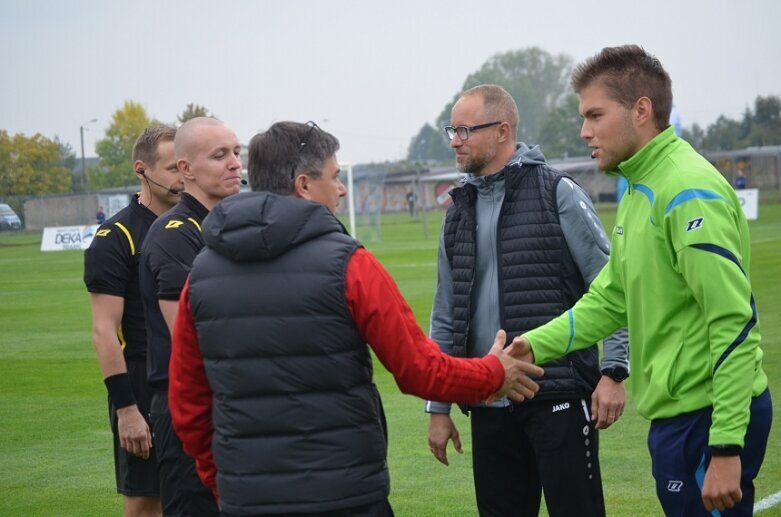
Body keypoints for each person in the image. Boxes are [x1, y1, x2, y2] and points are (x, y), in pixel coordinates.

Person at [167, 121, 545, 516]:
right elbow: (418, 369)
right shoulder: (350, 264)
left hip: (247, 499)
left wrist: (224, 484)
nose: (343, 187)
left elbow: (188, 405)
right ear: (304, 185)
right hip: (345, 496)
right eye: (334, 176)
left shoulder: (201, 276)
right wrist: (493, 373)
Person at [510, 45, 771, 516]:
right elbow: (611, 299)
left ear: (641, 111)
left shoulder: (686, 190)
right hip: (677, 417)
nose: (585, 131)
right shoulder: (638, 186)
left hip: (709, 417)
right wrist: (532, 346)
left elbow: (733, 322)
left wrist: (727, 445)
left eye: (594, 115)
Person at [425, 84, 629, 517]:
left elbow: (612, 288)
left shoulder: (559, 193)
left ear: (502, 131)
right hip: (486, 397)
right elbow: (445, 315)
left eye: (464, 130)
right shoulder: (456, 211)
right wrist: (438, 406)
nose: (454, 140)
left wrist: (613, 371)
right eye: (452, 130)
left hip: (557, 394)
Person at [138, 117, 243, 516]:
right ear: (186, 169)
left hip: (233, 403)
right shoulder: (174, 234)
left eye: (236, 151)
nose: (235, 163)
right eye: (219, 155)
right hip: (191, 411)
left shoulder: (234, 224)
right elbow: (190, 335)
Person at [84, 125, 182, 517]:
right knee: (146, 503)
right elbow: (104, 331)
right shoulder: (116, 235)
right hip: (143, 383)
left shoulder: (200, 226)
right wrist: (127, 410)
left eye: (185, 166)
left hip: (196, 375)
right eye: (173, 167)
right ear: (142, 169)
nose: (181, 176)